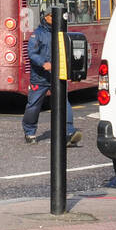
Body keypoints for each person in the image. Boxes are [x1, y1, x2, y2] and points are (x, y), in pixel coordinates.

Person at [25, 10, 80, 146]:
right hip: (40, 77)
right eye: (51, 16)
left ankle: (69, 132)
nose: (55, 18)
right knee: (34, 105)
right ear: (45, 17)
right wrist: (43, 63)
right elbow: (31, 53)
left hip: (57, 76)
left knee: (64, 104)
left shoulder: (61, 33)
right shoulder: (37, 35)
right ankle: (29, 132)